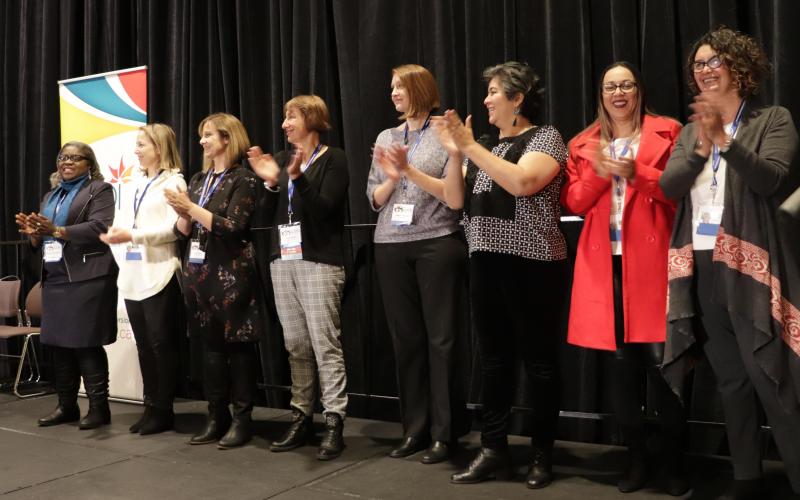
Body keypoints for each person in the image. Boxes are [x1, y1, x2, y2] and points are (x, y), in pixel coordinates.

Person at [660, 27, 800, 499]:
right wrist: (703, 144)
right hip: (701, 263)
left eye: (713, 60)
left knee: (772, 379)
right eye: (698, 63)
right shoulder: (687, 131)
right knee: (732, 380)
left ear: (740, 67)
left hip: (752, 265)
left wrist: (728, 142)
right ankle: (747, 479)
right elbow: (670, 187)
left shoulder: (772, 119)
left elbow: (772, 179)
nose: (704, 69)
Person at [434, 61, 568, 489]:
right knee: (492, 360)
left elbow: (524, 182)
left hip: (532, 262)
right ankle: (493, 449)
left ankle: (542, 454)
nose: (487, 99)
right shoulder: (485, 146)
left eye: (494, 92)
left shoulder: (544, 138)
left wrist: (471, 147)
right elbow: (455, 199)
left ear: (518, 99)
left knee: (540, 363)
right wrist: (457, 154)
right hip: (486, 259)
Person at [561, 62, 688, 495]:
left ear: (639, 91)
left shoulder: (669, 132)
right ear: (601, 93)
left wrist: (638, 174)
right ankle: (635, 460)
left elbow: (679, 191)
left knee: (663, 368)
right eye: (610, 86)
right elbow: (574, 201)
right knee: (619, 371)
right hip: (604, 267)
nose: (618, 93)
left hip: (654, 265)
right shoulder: (583, 143)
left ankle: (672, 464)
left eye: (626, 85)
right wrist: (602, 171)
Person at [367, 64, 468, 464]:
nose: (393, 93)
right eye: (391, 86)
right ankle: (415, 428)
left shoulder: (444, 132)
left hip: (436, 243)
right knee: (406, 341)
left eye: (400, 87)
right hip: (390, 243)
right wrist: (393, 177)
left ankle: (446, 433)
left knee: (441, 341)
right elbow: (374, 198)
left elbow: (454, 198)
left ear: (420, 89)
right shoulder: (386, 136)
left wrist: (410, 170)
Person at [247, 95, 349, 460]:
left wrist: (298, 179)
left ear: (311, 118)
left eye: (291, 117)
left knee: (325, 344)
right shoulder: (278, 159)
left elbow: (324, 209)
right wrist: (272, 184)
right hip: (282, 260)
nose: (285, 124)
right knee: (296, 344)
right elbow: (264, 213)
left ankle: (334, 419)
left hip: (319, 259)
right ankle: (301, 415)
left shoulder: (334, 158)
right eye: (284, 117)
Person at [165, 113, 262, 449]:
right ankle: (215, 417)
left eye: (208, 135)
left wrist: (191, 208)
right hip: (199, 274)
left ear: (227, 138)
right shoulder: (196, 179)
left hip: (231, 271)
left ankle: (241, 420)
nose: (202, 142)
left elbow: (233, 226)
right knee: (210, 349)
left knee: (239, 348)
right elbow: (183, 231)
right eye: (201, 136)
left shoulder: (244, 180)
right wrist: (182, 213)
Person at [15, 142, 117, 430]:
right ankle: (66, 406)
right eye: (62, 157)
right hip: (56, 277)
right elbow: (43, 236)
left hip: (88, 276)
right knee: (59, 345)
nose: (67, 162)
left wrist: (56, 230)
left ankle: (99, 409)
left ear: (89, 163)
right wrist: (35, 234)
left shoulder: (99, 190)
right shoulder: (51, 195)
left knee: (86, 343)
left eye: (75, 157)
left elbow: (100, 227)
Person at [100, 124, 186, 435]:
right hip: (134, 276)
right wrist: (117, 239)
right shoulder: (134, 184)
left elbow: (173, 230)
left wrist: (132, 234)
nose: (136, 150)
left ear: (159, 148)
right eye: (136, 145)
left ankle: (164, 409)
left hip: (160, 274)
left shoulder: (174, 181)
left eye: (142, 144)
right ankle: (151, 406)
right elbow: (122, 223)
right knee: (144, 346)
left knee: (161, 344)